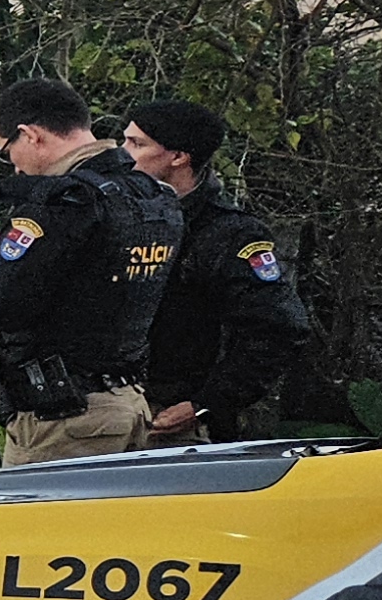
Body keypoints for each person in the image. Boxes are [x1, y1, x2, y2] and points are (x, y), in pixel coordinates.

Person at [0, 79, 181, 466]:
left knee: (38, 527)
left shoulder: (61, 203)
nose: (15, 168)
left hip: (65, 422)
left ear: (30, 135)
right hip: (130, 406)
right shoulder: (150, 196)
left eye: (9, 153)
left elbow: (1, 305)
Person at [120, 98, 311, 444]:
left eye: (137, 144)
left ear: (178, 157)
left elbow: (279, 327)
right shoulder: (123, 213)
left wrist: (206, 403)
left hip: (174, 420)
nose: (123, 153)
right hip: (110, 405)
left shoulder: (229, 234)